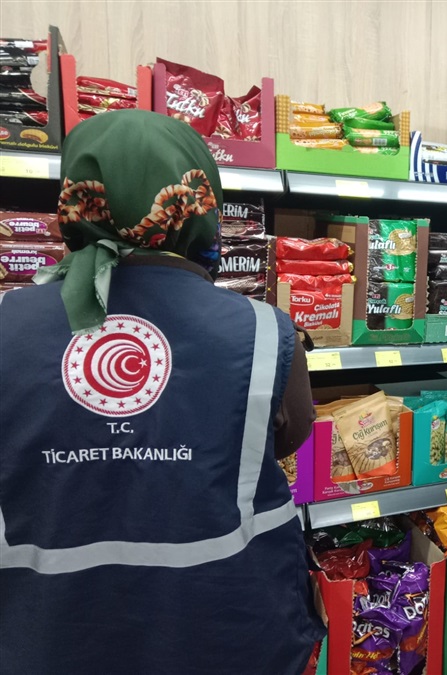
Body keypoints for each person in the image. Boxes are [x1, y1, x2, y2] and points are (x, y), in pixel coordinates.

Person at [0, 110, 324, 674]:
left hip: (45, 635)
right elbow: (282, 442)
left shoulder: (6, 321)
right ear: (200, 200)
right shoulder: (265, 331)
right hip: (229, 633)